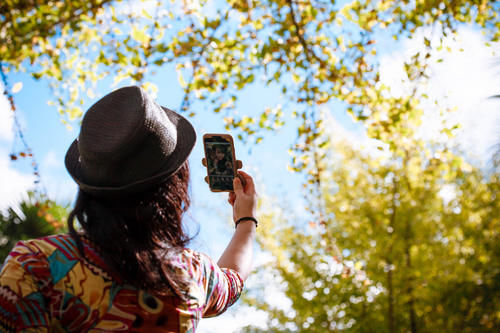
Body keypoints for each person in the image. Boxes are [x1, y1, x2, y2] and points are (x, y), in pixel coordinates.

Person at [0, 86, 258, 332]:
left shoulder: (34, 266)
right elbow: (233, 280)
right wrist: (246, 219)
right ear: (173, 186)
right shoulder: (191, 274)